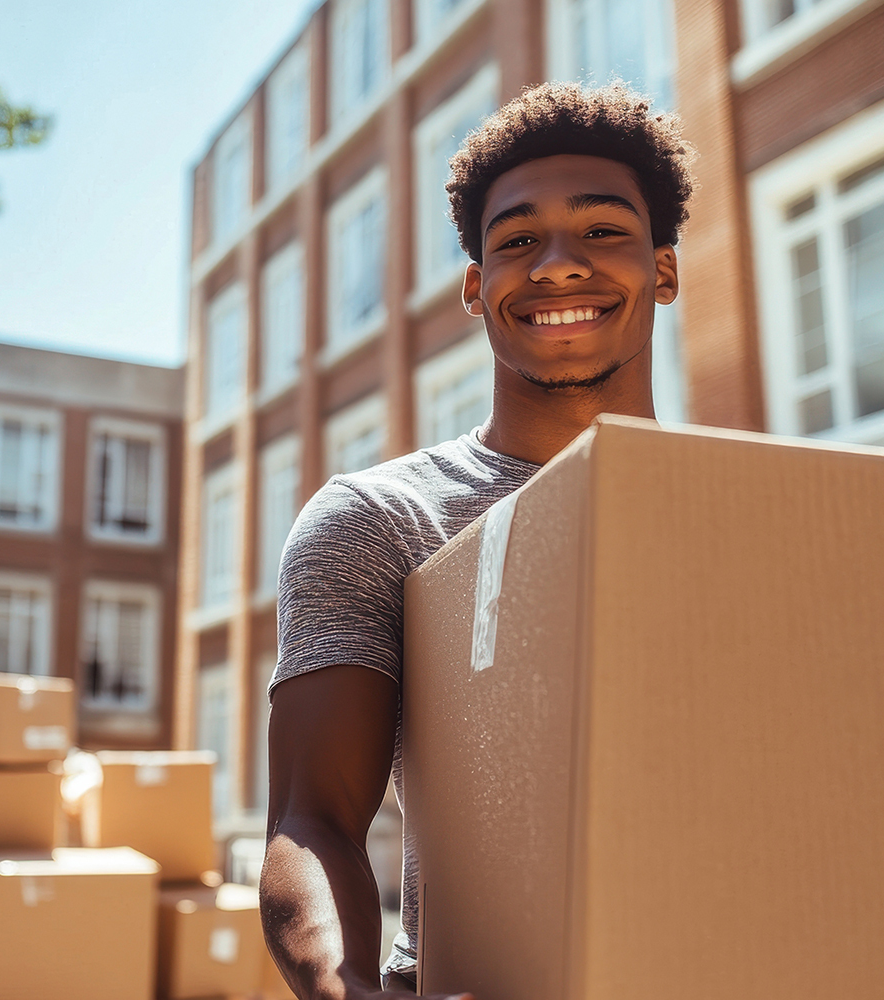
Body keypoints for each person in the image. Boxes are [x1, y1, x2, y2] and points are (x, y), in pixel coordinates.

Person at [260, 80, 695, 1000]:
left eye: (605, 231)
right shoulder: (379, 520)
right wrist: (350, 994)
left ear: (664, 269)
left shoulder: (764, 514)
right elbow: (314, 818)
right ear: (476, 287)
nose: (558, 266)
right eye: (517, 242)